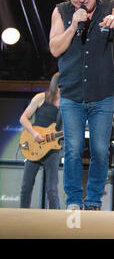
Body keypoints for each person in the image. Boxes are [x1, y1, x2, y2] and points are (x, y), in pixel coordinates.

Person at [49, 0, 114, 210]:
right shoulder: (62, 12)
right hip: (72, 93)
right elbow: (55, 49)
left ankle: (94, 200)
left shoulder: (111, 7)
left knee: (99, 150)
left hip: (102, 93)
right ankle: (74, 200)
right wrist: (73, 26)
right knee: (73, 149)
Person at [19, 72, 61, 209]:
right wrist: (34, 133)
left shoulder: (68, 104)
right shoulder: (41, 98)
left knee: (52, 189)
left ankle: (56, 220)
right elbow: (23, 118)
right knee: (26, 186)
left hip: (53, 148)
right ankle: (22, 217)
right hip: (34, 144)